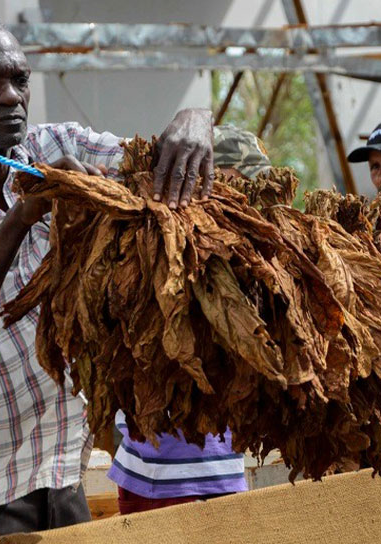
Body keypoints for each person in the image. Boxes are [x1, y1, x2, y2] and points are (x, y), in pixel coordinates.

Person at [0, 15, 215, 544]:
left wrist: (197, 118)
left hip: (58, 471)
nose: (11, 97)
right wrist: (21, 217)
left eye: (20, 80)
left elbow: (161, 160)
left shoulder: (57, 144)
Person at [106, 124, 270, 515]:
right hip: (148, 472)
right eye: (235, 180)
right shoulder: (152, 242)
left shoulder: (250, 256)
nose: (245, 195)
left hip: (215, 469)